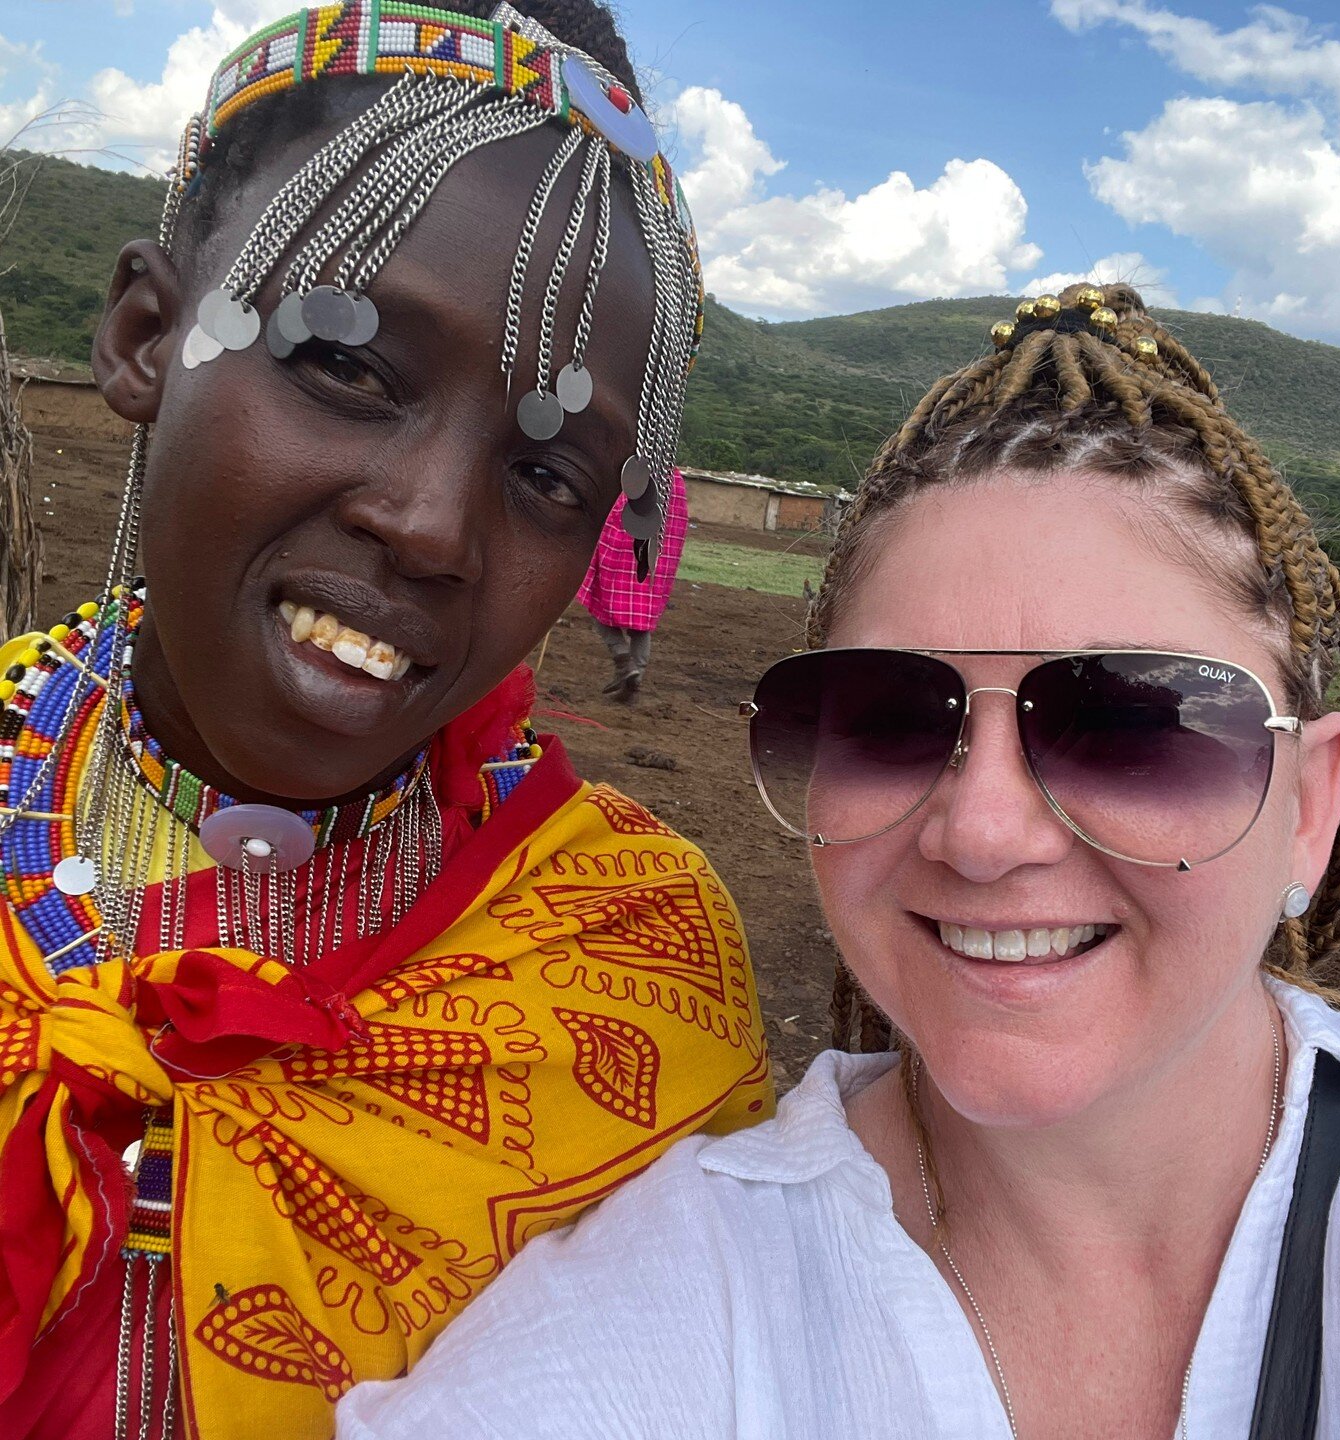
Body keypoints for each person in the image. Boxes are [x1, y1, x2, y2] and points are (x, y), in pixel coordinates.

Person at [334, 285, 1340, 1440]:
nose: (982, 834)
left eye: (1133, 725)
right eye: (888, 716)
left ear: (1309, 805)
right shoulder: (677, 1298)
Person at [0, 7, 774, 1439]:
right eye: (347, 366)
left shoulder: (630, 964)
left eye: (545, 472)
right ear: (144, 338)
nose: (429, 527)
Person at [577, 467, 689, 702]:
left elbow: (613, 512)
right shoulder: (673, 478)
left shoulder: (631, 471)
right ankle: (635, 673)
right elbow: (677, 525)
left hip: (623, 549)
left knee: (596, 600)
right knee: (642, 618)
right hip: (655, 555)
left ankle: (623, 662)